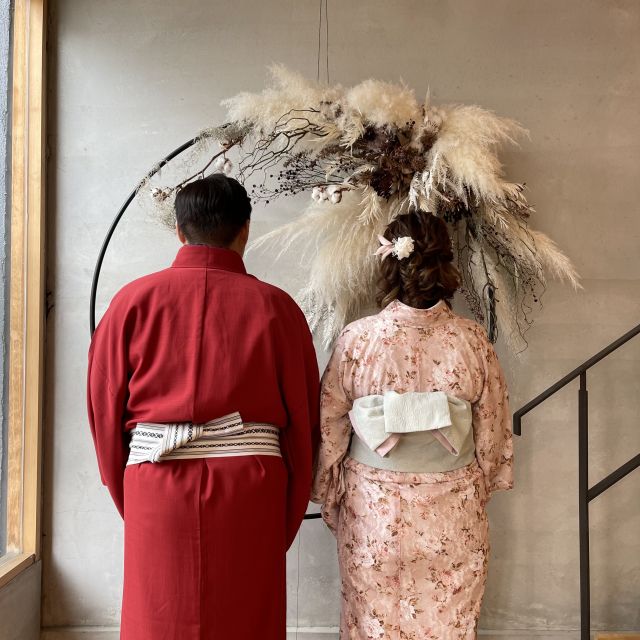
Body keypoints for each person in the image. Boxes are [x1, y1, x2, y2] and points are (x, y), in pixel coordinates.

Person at [87, 173, 320, 640]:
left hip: (156, 484)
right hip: (251, 489)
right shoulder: (278, 308)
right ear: (245, 230)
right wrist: (286, 509)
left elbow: (103, 411)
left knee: (158, 619)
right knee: (246, 617)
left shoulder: (130, 302)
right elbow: (304, 423)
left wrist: (130, 488)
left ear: (179, 230)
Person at [311, 209, 513, 639]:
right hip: (451, 506)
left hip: (374, 509)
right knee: (448, 616)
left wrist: (330, 490)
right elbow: (492, 426)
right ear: (444, 262)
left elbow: (330, 423)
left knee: (373, 619)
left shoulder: (358, 339)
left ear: (388, 263)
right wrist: (482, 482)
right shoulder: (472, 339)